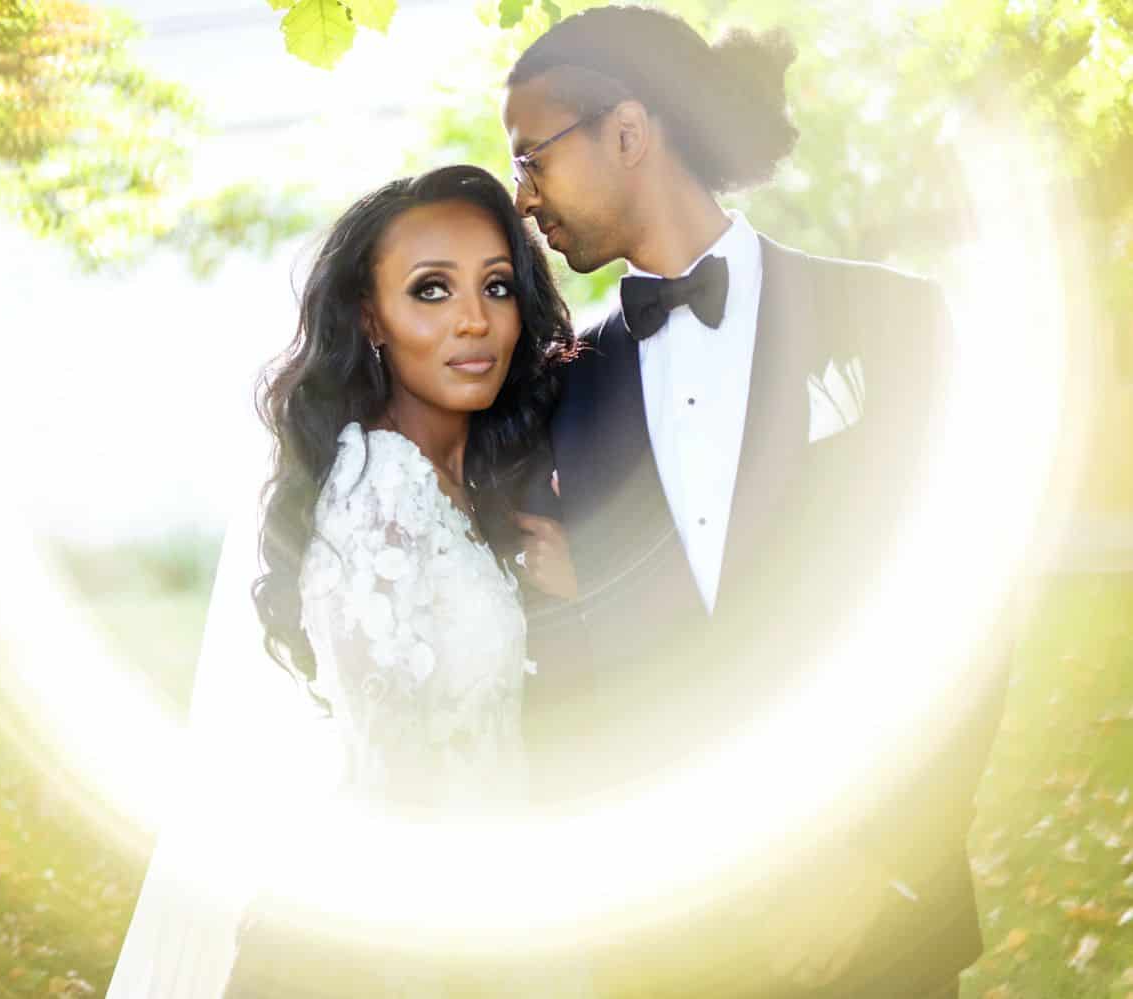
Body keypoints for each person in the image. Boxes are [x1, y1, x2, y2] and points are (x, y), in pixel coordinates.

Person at [500, 6, 1007, 998]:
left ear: (630, 133)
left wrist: (881, 864)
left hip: (881, 933)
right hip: (673, 943)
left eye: (534, 158)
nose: (523, 198)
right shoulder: (561, 389)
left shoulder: (894, 322)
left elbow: (964, 608)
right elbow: (575, 679)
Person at [108, 164, 579, 998]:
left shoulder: (471, 479)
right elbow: (398, 772)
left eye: (496, 286)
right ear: (371, 318)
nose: (475, 321)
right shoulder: (379, 497)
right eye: (431, 291)